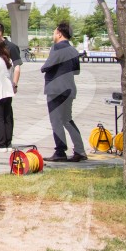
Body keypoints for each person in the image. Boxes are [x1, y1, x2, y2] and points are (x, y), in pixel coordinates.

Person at [41, 21, 87, 162]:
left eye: (54, 32)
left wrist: (43, 67)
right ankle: (80, 151)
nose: (53, 34)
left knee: (56, 121)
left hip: (56, 89)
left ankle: (60, 151)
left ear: (59, 33)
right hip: (69, 89)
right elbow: (77, 71)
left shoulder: (57, 47)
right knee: (67, 120)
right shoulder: (73, 50)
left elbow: (47, 66)